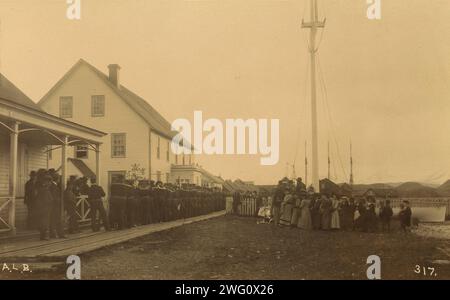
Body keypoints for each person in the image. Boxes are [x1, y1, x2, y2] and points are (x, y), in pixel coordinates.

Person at [35, 170, 53, 240]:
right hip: (44, 206)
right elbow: (47, 198)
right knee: (44, 220)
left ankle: (43, 235)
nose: (49, 183)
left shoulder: (42, 186)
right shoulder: (43, 188)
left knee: (44, 220)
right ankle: (44, 235)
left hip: (43, 205)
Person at [48, 170, 65, 239]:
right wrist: (60, 200)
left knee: (54, 220)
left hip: (54, 206)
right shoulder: (54, 187)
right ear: (57, 179)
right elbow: (54, 197)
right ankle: (58, 234)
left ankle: (56, 234)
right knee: (56, 220)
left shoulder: (53, 186)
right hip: (55, 206)